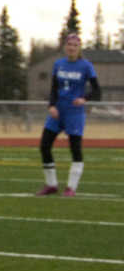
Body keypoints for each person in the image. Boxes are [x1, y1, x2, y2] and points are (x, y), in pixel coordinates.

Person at [35, 33, 100, 197]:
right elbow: (53, 88)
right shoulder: (59, 64)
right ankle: (51, 184)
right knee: (44, 146)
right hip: (58, 112)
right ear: (65, 47)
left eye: (75, 45)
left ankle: (71, 188)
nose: (71, 47)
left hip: (75, 114)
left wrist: (84, 98)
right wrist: (51, 105)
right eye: (69, 44)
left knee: (75, 149)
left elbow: (97, 90)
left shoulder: (86, 66)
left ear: (79, 48)